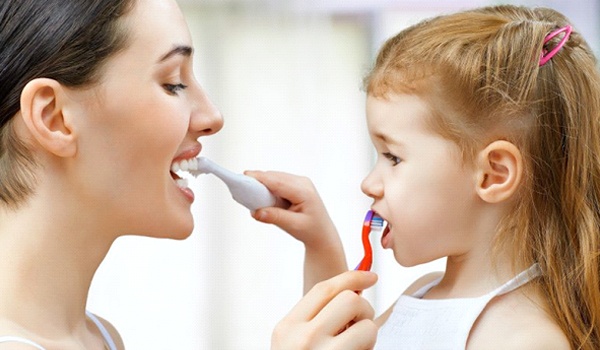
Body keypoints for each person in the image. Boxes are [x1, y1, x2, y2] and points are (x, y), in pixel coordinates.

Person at [0, 0, 377, 349]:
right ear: (54, 117)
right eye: (173, 83)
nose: (212, 116)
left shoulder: (98, 337)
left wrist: (322, 254)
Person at [249, 4, 600, 349]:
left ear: (494, 174)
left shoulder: (524, 340)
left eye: (393, 157)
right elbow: (337, 341)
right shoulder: (425, 292)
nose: (369, 184)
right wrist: (320, 243)